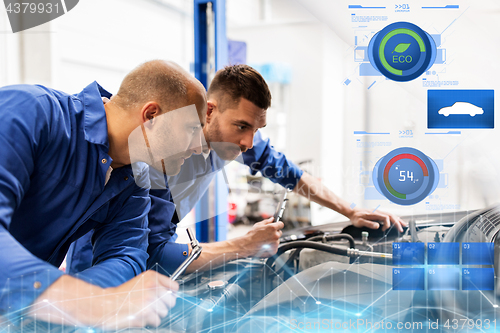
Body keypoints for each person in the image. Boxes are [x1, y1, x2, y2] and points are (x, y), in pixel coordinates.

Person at [68, 64, 406, 277]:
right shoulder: (159, 152)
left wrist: (349, 210)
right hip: (102, 259)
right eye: (242, 126)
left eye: (256, 130)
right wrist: (244, 244)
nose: (248, 143)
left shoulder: (235, 140)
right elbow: (154, 252)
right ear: (210, 112)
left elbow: (293, 175)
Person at [0, 60, 206, 329]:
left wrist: (73, 300)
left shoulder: (133, 179)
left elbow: (126, 255)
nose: (199, 147)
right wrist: (75, 300)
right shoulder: (30, 112)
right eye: (192, 129)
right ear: (152, 116)